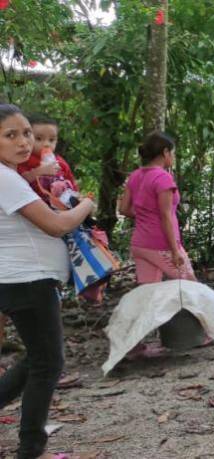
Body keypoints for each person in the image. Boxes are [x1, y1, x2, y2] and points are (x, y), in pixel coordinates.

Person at [0, 104, 95, 459]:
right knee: (48, 363)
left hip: (23, 279)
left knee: (40, 358)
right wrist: (86, 204)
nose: (24, 142)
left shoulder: (10, 176)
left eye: (26, 133)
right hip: (28, 280)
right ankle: (30, 446)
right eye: (11, 135)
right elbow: (56, 224)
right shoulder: (5, 178)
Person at [119, 132, 198, 358]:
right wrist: (175, 250)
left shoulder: (135, 176)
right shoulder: (163, 178)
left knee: (145, 295)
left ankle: (132, 344)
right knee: (191, 286)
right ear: (165, 153)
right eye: (172, 152)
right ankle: (210, 331)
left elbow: (124, 209)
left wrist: (144, 215)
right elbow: (165, 216)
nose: (172, 156)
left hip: (140, 243)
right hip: (161, 244)